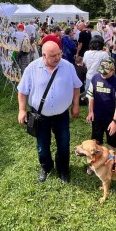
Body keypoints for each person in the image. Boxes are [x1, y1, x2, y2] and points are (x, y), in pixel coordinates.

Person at [17, 41, 82, 183]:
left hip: (62, 114)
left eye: (59, 54)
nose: (58, 58)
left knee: (64, 143)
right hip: (40, 115)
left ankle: (63, 169)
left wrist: (76, 105)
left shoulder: (68, 66)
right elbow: (22, 91)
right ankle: (46, 167)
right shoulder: (32, 68)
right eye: (53, 56)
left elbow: (76, 86)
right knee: (42, 144)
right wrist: (22, 110)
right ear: (44, 55)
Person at [86, 59, 116, 149]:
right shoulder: (95, 78)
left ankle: (111, 161)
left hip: (111, 118)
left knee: (112, 145)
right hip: (97, 117)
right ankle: (98, 161)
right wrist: (91, 111)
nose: (103, 74)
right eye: (101, 72)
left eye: (105, 73)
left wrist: (114, 122)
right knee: (96, 142)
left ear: (112, 70)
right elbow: (91, 96)